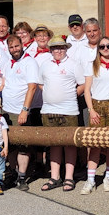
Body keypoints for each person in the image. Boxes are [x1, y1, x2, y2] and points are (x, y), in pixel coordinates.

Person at [35, 35, 83, 192]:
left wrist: (69, 95)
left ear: (66, 49)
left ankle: (69, 177)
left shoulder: (73, 64)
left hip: (69, 111)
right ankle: (55, 177)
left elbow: (82, 85)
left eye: (61, 47)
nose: (58, 50)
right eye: (55, 48)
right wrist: (52, 95)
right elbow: (41, 84)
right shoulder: (45, 65)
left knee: (69, 144)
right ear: (50, 50)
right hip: (48, 110)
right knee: (54, 144)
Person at [82, 37, 109, 194]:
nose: (105, 49)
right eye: (102, 46)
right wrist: (91, 109)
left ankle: (108, 175)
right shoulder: (92, 65)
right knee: (95, 143)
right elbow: (87, 89)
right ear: (98, 49)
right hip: (97, 105)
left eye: (108, 46)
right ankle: (91, 179)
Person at [0, 34, 40, 190]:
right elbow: (5, 82)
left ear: (22, 44)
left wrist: (25, 110)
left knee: (23, 145)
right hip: (6, 110)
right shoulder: (7, 63)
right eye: (11, 47)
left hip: (20, 111)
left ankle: (22, 177)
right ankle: (13, 173)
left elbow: (32, 87)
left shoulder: (29, 62)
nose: (14, 49)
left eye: (16, 46)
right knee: (10, 144)